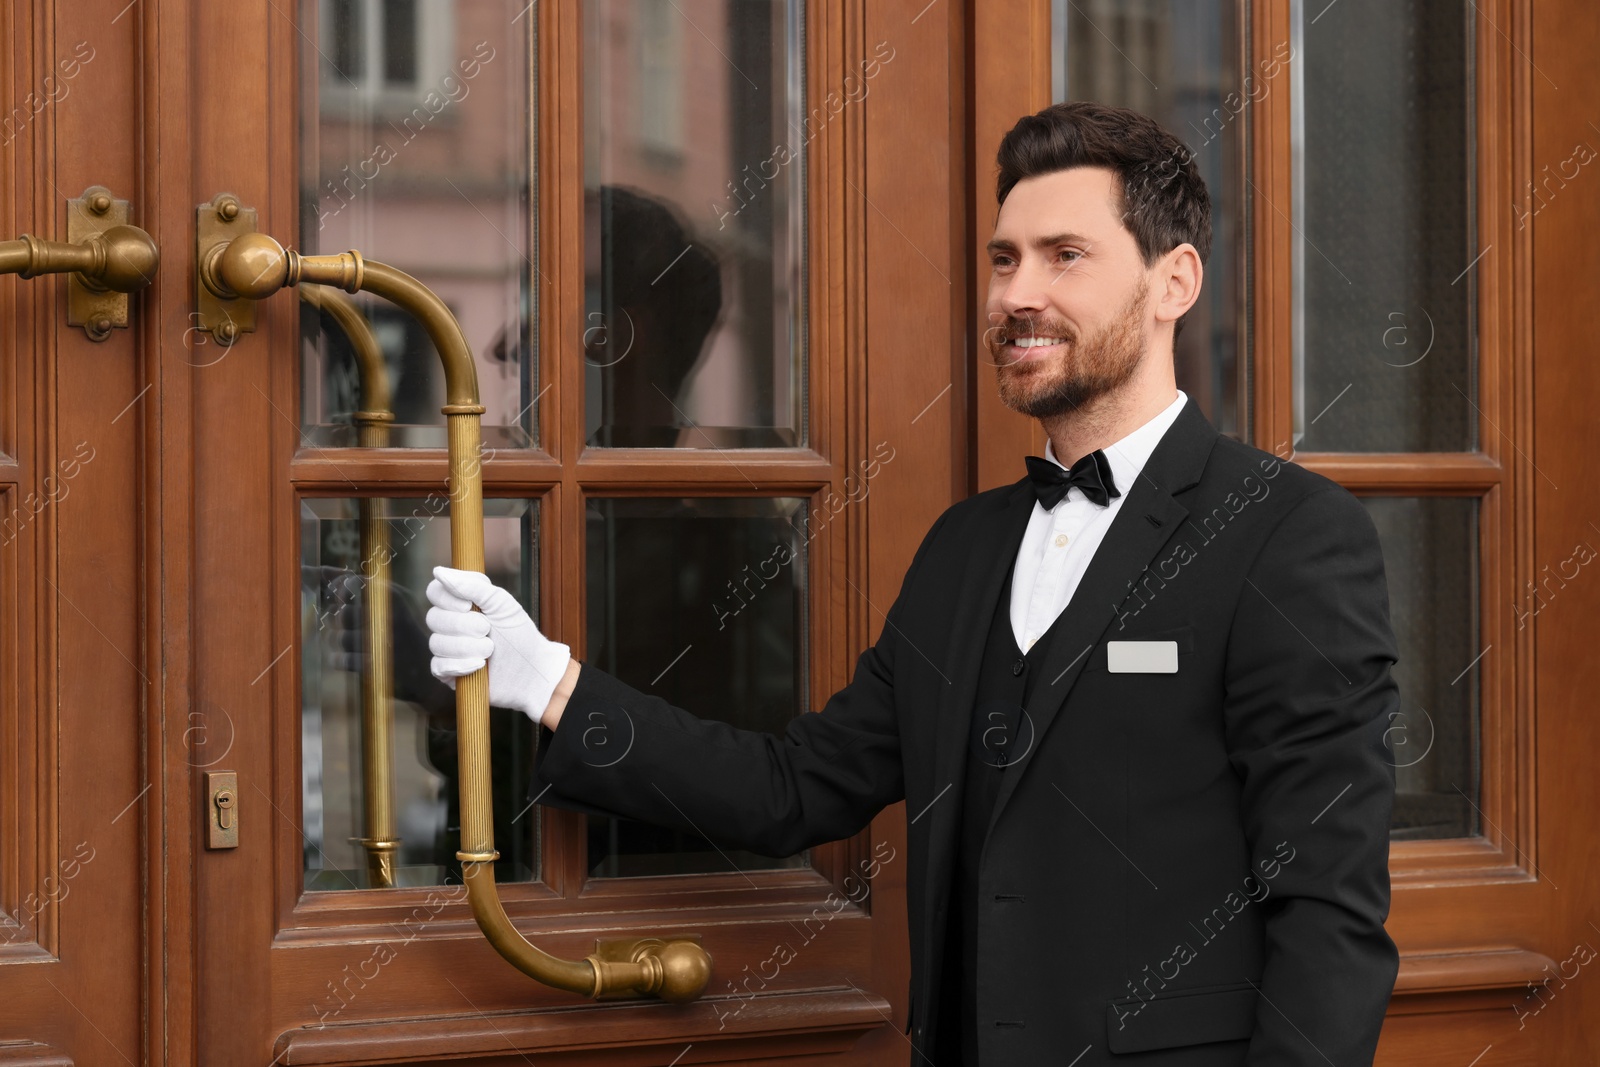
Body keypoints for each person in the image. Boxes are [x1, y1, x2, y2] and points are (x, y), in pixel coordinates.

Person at [425, 101, 1400, 1065]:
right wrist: (550, 681)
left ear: (1172, 282)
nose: (1017, 293)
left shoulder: (1289, 536)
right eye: (1003, 258)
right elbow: (792, 787)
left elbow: (1327, 910)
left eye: (1066, 255)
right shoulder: (962, 549)